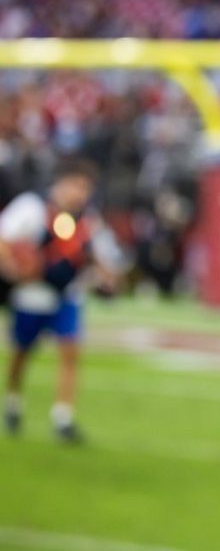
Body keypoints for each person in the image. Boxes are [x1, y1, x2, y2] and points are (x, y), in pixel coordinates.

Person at [0, 158, 114, 443]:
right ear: (61, 182)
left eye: (86, 188)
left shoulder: (88, 217)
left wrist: (105, 277)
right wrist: (13, 267)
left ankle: (62, 417)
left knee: (70, 349)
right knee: (22, 352)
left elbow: (97, 255)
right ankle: (13, 401)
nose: (81, 193)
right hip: (33, 292)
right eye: (77, 185)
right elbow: (4, 237)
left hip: (67, 292)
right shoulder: (32, 206)